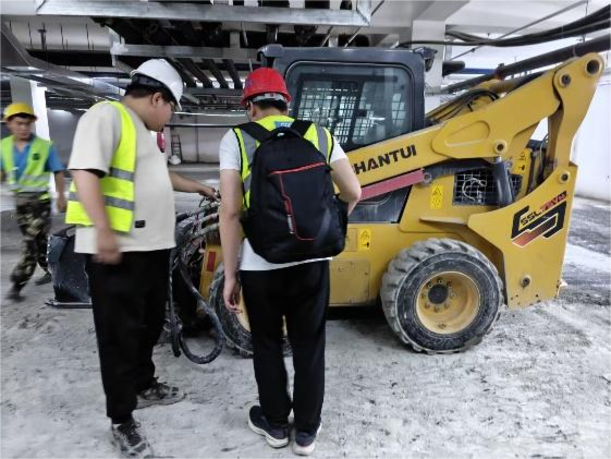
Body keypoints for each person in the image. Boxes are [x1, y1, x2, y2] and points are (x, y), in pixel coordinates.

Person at [65, 59, 216, 459]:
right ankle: (122, 420)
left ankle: (144, 384)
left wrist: (197, 186)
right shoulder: (106, 116)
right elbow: (84, 173)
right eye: (172, 109)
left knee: (149, 326)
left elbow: (161, 175)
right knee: (119, 337)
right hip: (119, 252)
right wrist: (104, 232)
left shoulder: (142, 134)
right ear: (157, 99)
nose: (170, 117)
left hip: (150, 250)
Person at [219, 67, 361, 456]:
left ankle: (277, 425)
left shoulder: (237, 139)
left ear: (250, 106)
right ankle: (306, 432)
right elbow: (354, 191)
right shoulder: (319, 134)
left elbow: (230, 212)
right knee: (309, 345)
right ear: (286, 102)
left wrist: (230, 275)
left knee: (267, 344)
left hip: (260, 264)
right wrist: (326, 226)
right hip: (312, 262)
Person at [0, 102, 66, 301]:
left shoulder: (44, 146)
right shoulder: (3, 147)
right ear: (9, 124)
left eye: (27, 124)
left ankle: (17, 284)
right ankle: (51, 270)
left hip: (40, 203)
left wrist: (61, 196)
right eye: (19, 123)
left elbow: (58, 171)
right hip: (20, 203)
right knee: (39, 242)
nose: (23, 128)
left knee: (29, 243)